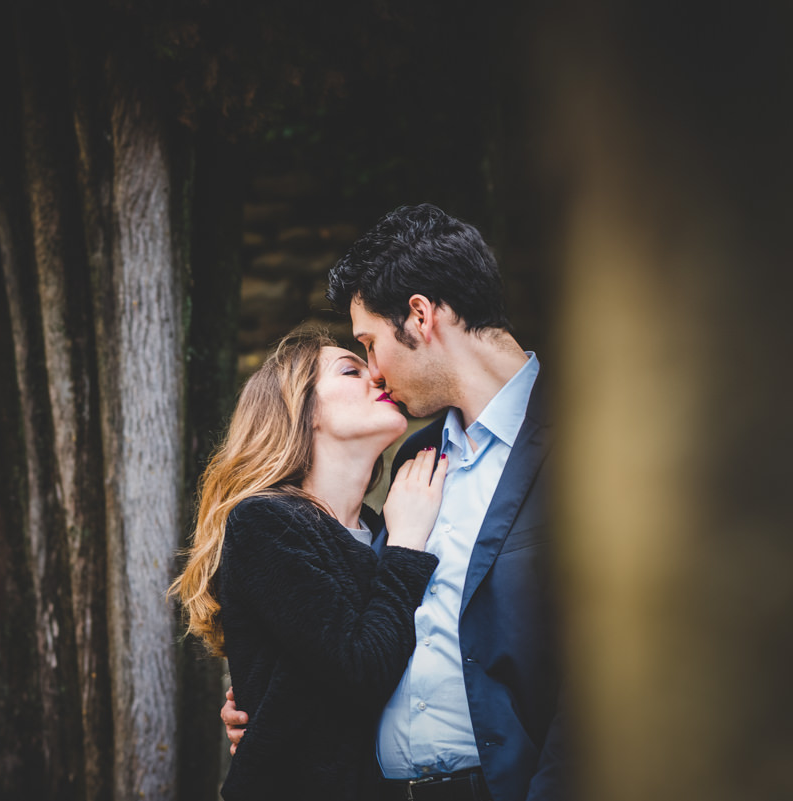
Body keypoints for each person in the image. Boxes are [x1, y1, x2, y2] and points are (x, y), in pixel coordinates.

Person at [221, 204, 565, 801]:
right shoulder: (417, 465)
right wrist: (271, 703)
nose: (376, 373)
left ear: (421, 316)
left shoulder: (592, 438)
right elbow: (354, 637)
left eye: (369, 346)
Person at [171, 328, 450, 801]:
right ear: (303, 410)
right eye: (351, 370)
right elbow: (361, 668)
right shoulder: (263, 521)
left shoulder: (377, 526)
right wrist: (406, 546)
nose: (376, 375)